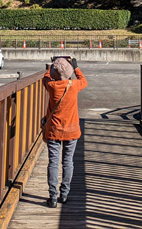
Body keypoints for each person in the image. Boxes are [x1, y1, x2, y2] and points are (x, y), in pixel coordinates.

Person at [42, 56, 87, 208]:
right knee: (68, 162)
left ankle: (53, 197)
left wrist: (53, 64)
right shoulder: (74, 85)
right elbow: (83, 80)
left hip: (54, 130)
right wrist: (75, 66)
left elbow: (46, 76)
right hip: (72, 130)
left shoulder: (51, 86)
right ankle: (65, 194)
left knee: (53, 163)